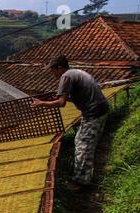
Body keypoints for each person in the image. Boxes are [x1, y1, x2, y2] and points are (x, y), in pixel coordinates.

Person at [31, 54, 109, 192]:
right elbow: (74, 98)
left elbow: (61, 103)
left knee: (83, 145)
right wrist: (62, 98)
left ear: (59, 68)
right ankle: (83, 174)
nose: (52, 73)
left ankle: (81, 182)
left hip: (93, 112)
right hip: (100, 108)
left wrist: (42, 103)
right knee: (81, 140)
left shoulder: (66, 77)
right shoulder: (77, 72)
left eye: (53, 70)